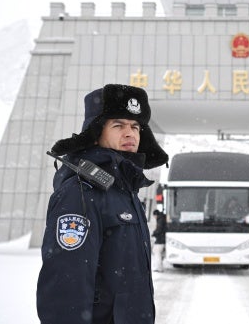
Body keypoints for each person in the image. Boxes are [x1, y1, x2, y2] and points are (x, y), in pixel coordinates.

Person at [36, 84, 168, 324]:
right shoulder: (80, 194)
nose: (130, 134)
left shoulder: (126, 191)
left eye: (135, 127)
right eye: (118, 125)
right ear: (96, 131)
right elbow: (65, 288)